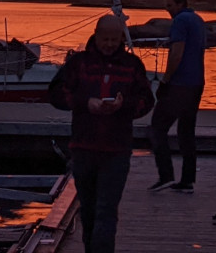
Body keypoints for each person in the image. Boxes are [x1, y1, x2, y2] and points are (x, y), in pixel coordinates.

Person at [48, 14, 154, 253]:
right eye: (105, 39)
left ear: (121, 39)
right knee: (88, 211)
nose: (109, 44)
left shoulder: (132, 65)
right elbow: (55, 94)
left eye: (114, 40)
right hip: (84, 147)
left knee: (106, 211)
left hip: (117, 150)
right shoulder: (79, 63)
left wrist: (123, 105)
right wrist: (86, 103)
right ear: (95, 35)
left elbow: (147, 100)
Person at [148, 0, 207, 193]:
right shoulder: (198, 20)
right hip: (197, 82)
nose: (167, 9)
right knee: (186, 132)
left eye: (170, 5)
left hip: (180, 84)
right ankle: (187, 180)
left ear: (180, 3)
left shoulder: (180, 21)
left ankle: (166, 175)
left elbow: (177, 54)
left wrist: (165, 81)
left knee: (157, 127)